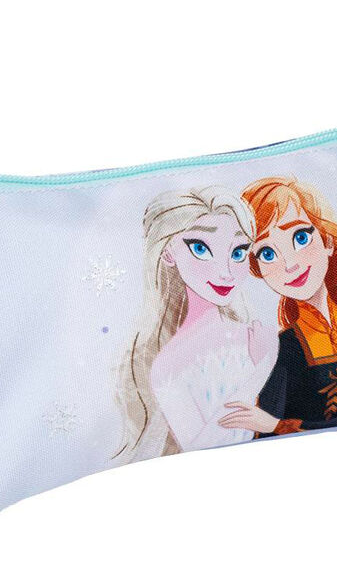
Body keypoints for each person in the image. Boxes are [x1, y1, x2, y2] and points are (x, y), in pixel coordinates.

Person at [219, 177, 337, 437]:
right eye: (267, 253)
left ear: (327, 241)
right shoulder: (284, 347)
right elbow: (265, 434)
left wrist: (279, 426)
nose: (290, 264)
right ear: (257, 268)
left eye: (301, 237)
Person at [115, 186, 277, 461]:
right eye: (201, 248)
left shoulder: (258, 336)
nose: (226, 272)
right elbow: (201, 450)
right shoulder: (167, 364)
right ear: (168, 252)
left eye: (238, 252)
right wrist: (261, 369)